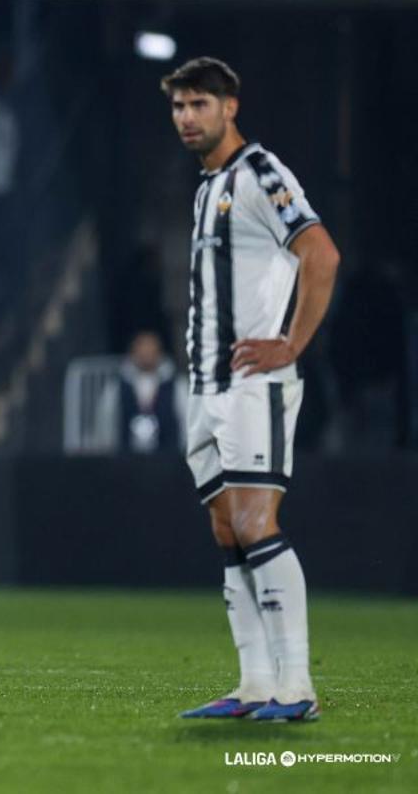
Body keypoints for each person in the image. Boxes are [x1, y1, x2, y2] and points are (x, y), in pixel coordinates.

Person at [164, 58, 340, 722]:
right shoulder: (210, 185)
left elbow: (320, 254)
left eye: (200, 103)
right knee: (224, 527)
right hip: (205, 385)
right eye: (179, 106)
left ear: (231, 106)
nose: (187, 117)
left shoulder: (261, 173)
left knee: (255, 522)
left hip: (251, 381)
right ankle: (254, 683)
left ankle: (296, 686)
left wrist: (291, 343)